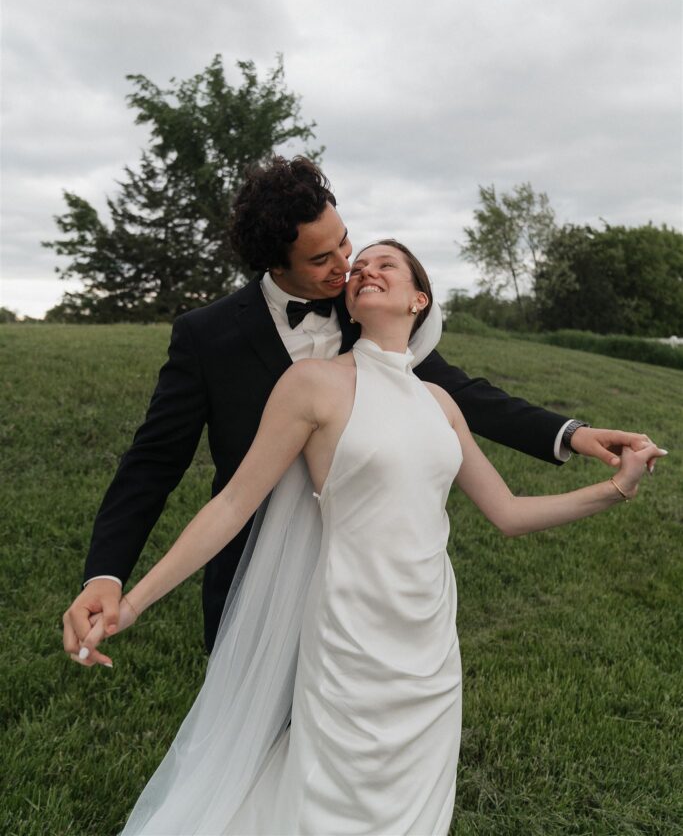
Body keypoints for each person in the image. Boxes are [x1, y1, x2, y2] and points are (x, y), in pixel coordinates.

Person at [78, 239, 665, 836]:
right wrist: (131, 601)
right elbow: (232, 505)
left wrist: (615, 490)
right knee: (331, 801)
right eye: (359, 268)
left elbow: (508, 513)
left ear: (420, 299)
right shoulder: (312, 384)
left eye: (385, 264)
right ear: (349, 307)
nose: (363, 270)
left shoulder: (440, 402)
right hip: (349, 629)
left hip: (430, 640)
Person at [63, 157, 656, 666]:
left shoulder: (368, 306)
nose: (346, 264)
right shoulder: (205, 336)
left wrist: (571, 433)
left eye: (345, 240)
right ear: (276, 264)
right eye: (323, 259)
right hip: (254, 568)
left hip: (369, 571)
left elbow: (461, 394)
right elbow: (152, 464)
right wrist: (108, 577)